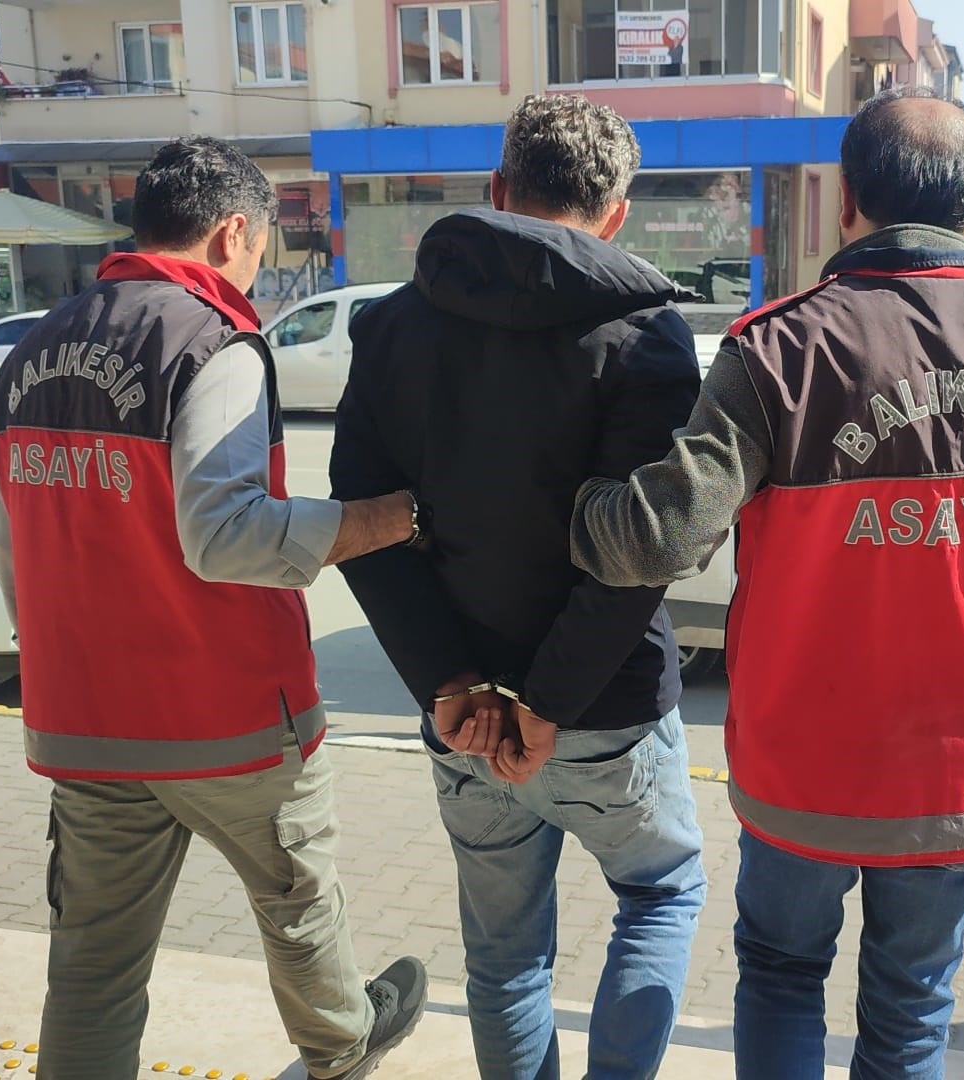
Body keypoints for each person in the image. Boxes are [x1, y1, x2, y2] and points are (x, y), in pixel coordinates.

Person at [569, 87, 964, 1078]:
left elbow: (656, 540)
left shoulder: (781, 350)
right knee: (913, 1007)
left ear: (847, 204)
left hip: (805, 775)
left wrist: (560, 500)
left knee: (785, 973)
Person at [0, 136, 428, 1080]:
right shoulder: (208, 340)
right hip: (224, 719)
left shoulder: (30, 352)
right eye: (261, 247)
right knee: (297, 903)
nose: (258, 268)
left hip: (87, 723)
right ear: (234, 232)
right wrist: (384, 519)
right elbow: (225, 536)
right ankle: (344, 1047)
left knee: (93, 965)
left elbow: (13, 551)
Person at [330, 94, 708, 1080]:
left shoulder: (390, 329)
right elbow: (638, 555)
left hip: (464, 718)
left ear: (498, 191)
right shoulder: (649, 338)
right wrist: (549, 703)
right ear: (616, 212)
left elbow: (365, 528)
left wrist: (450, 684)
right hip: (607, 706)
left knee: (503, 959)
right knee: (662, 896)